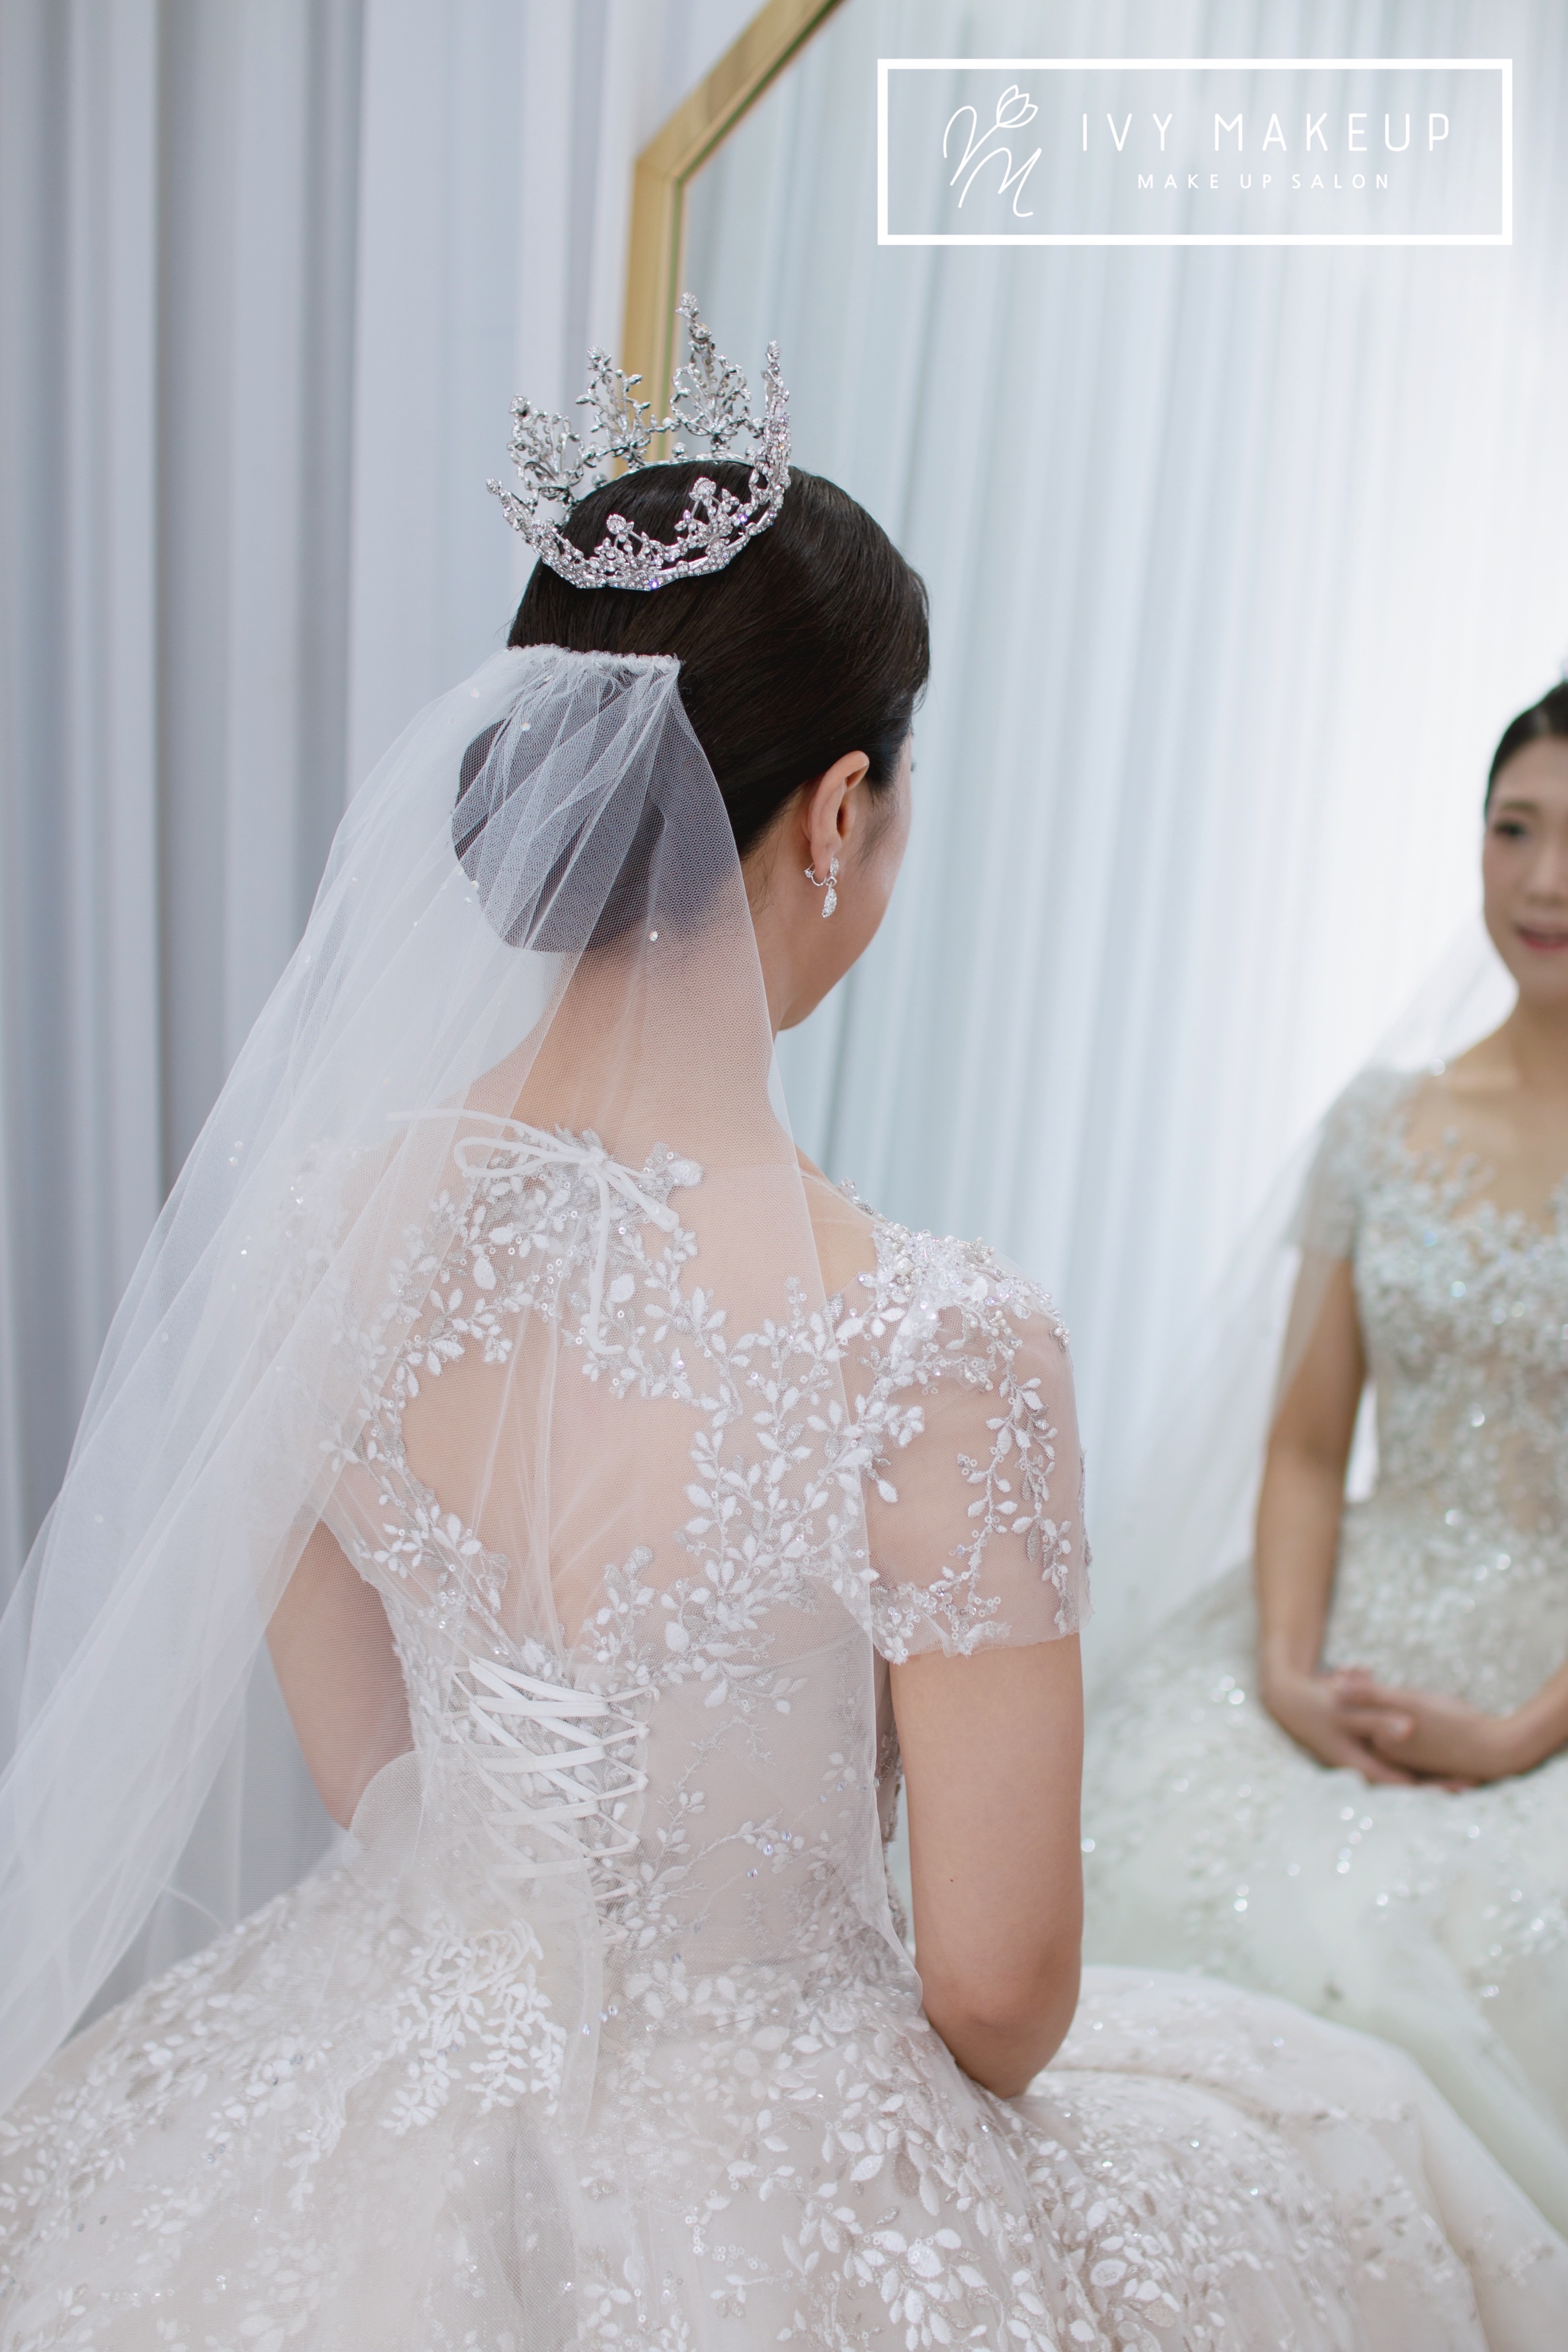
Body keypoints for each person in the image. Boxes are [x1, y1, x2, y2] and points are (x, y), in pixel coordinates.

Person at [1, 309, 1563, 2350]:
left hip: (373, 2062)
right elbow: (996, 1992)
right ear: (836, 813)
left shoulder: (311, 1225)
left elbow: (372, 1769)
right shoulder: (928, 1339)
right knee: (1351, 2154)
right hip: (777, 2159)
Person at [1082, 682, 1568, 2240]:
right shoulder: (1379, 1125)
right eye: (1513, 830)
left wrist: (1518, 1734)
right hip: (1352, 1630)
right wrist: (1290, 1673)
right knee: (1156, 1867)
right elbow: (1303, 1444)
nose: (1545, 881)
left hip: (1546, 1690)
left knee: (1440, 1964)